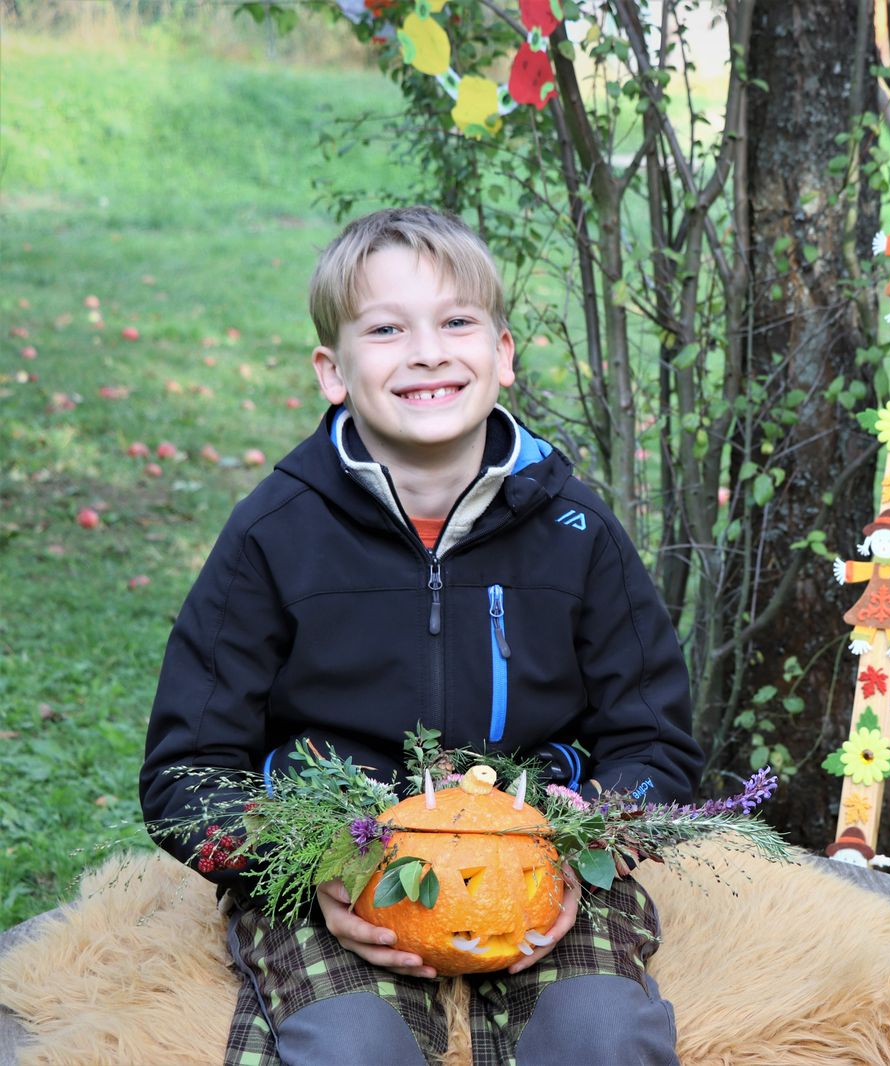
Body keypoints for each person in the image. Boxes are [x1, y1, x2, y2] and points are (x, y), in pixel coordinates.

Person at [140, 206, 701, 1065]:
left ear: (503, 355)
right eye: (386, 329)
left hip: (535, 862)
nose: (428, 352)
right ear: (333, 371)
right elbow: (188, 772)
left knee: (600, 1037)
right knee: (350, 1048)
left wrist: (590, 839)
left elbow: (656, 741)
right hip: (338, 870)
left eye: (457, 322)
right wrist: (308, 867)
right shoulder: (274, 535)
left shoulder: (576, 532)